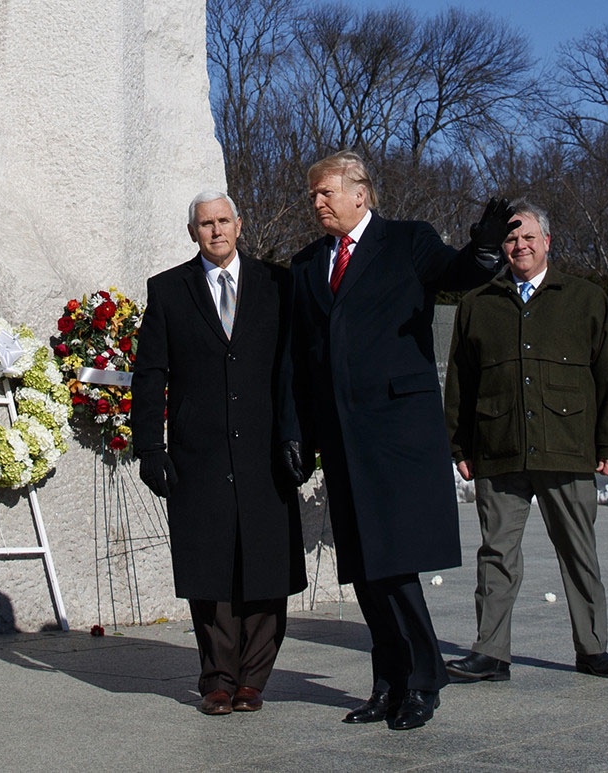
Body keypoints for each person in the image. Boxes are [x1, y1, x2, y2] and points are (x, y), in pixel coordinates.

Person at [278, 150, 516, 730]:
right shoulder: (308, 263)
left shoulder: (408, 240)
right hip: (341, 438)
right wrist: (296, 432)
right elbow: (298, 359)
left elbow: (458, 273)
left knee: (395, 562)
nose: (317, 203)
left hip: (397, 433)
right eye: (312, 195)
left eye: (326, 192)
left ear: (360, 193)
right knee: (363, 567)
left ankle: (423, 678)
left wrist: (486, 251)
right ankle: (388, 682)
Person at [443, 199, 608, 682]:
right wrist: (460, 447)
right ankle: (491, 652)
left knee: (579, 552)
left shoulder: (586, 298)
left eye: (528, 237)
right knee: (496, 554)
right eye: (511, 238)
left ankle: (592, 648)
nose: (520, 246)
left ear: (547, 241)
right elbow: (460, 381)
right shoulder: (477, 303)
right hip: (499, 448)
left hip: (566, 447)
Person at [132, 191, 305, 716]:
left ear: (239, 225)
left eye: (224, 221)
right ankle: (217, 680)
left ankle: (253, 679)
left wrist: (298, 436)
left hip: (265, 451)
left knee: (266, 566)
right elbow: (150, 373)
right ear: (193, 233)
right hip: (199, 453)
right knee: (210, 569)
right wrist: (150, 446)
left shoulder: (277, 284)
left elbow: (293, 367)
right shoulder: (168, 290)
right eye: (205, 224)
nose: (216, 231)